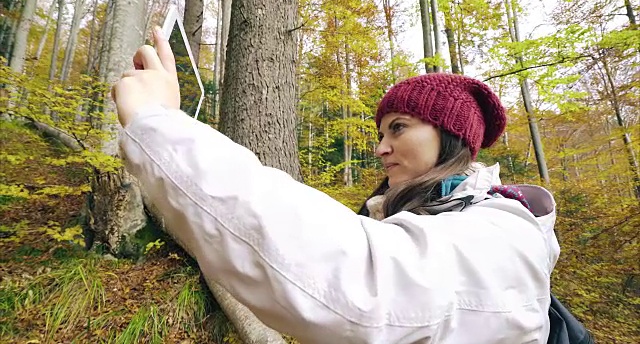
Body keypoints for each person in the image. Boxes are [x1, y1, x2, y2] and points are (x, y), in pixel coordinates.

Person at [112, 27, 560, 343]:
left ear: (452, 136)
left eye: (399, 128)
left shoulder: (504, 230)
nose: (382, 148)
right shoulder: (401, 217)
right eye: (381, 134)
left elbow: (358, 284)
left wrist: (159, 125)